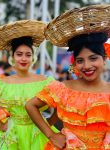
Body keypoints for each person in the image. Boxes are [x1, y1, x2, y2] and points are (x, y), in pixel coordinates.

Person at [26, 5, 110, 149]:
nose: (86, 65)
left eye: (93, 58)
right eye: (80, 60)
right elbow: (30, 105)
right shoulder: (63, 88)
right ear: (74, 64)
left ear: (104, 58)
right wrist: (51, 135)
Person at [0, 20, 57, 150]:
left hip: (39, 133)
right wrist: (0, 125)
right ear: (13, 57)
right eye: (19, 54)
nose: (23, 59)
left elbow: (60, 104)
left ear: (33, 58)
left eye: (28, 55)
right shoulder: (2, 83)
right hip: (13, 134)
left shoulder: (46, 81)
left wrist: (50, 122)